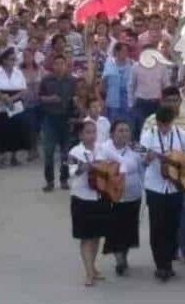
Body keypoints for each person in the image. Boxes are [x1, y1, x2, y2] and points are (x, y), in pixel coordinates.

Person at [143, 86, 185, 264]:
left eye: (175, 100)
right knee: (162, 219)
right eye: (168, 101)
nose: (172, 104)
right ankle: (167, 255)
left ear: (180, 101)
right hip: (159, 181)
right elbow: (143, 153)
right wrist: (147, 157)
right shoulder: (150, 123)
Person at [96, 120, 144, 276]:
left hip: (133, 195)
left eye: (126, 130)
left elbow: (142, 170)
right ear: (112, 134)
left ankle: (124, 255)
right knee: (115, 229)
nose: (124, 133)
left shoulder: (136, 150)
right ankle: (119, 260)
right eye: (120, 130)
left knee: (129, 229)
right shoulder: (104, 149)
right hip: (113, 196)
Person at [67, 121, 108, 287]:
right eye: (88, 132)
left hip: (99, 197)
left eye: (93, 132)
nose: (91, 136)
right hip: (81, 198)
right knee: (85, 237)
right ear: (80, 135)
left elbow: (112, 166)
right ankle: (89, 273)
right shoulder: (74, 152)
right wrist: (84, 167)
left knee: (97, 236)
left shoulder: (102, 148)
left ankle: (92, 266)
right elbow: (72, 173)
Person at [39, 54, 76, 192]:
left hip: (66, 119)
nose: (59, 66)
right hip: (50, 119)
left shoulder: (72, 81)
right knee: (48, 151)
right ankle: (49, 181)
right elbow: (40, 97)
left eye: (62, 63)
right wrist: (49, 99)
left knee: (65, 153)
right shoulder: (46, 80)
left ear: (66, 65)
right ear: (52, 65)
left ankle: (64, 179)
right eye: (57, 63)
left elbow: (76, 100)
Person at [0, 47, 28, 168]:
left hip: (16, 101)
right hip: (1, 101)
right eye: (11, 59)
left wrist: (12, 99)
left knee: (16, 129)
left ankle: (13, 157)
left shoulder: (18, 72)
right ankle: (1, 157)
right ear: (4, 60)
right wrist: (5, 98)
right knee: (1, 130)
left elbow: (23, 89)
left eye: (14, 59)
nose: (13, 61)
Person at [129, 45, 170, 138]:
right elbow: (131, 86)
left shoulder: (162, 67)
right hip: (140, 103)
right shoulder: (136, 67)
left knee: (156, 130)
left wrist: (166, 104)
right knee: (140, 129)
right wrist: (131, 104)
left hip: (156, 103)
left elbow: (166, 86)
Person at [102, 42, 133, 124]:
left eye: (126, 51)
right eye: (123, 51)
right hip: (112, 101)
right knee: (113, 124)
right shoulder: (109, 63)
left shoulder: (132, 64)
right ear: (116, 52)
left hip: (127, 102)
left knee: (126, 125)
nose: (125, 53)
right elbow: (104, 82)